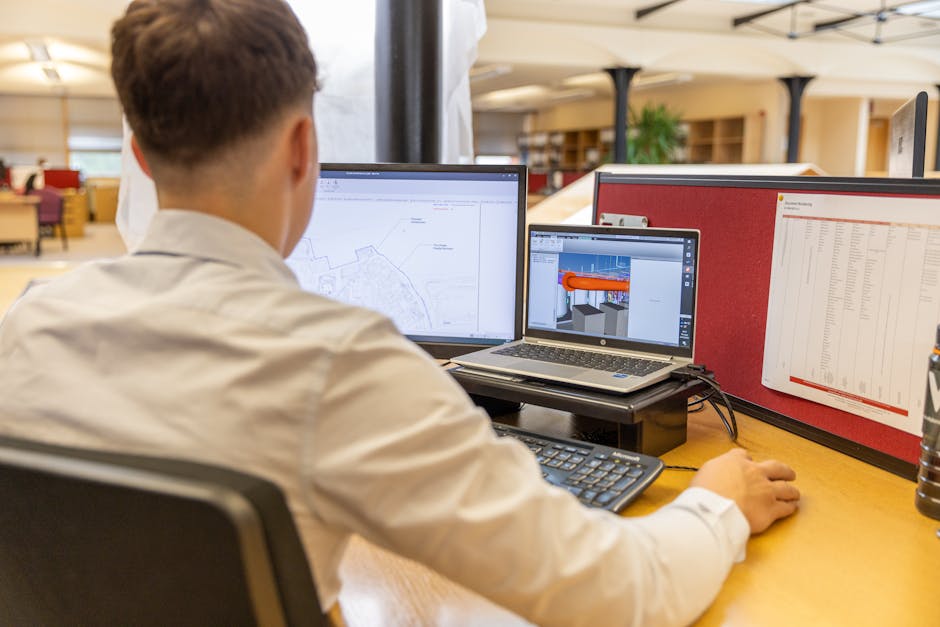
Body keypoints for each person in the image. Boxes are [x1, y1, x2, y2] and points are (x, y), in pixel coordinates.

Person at [0, 1, 800, 625]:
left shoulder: (26, 327)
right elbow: (624, 592)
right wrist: (718, 503)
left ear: (137, 154)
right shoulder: (336, 362)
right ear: (301, 147)